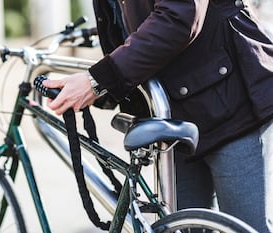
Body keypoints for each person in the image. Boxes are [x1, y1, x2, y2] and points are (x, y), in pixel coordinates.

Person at [43, 0, 273, 232]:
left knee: (247, 228)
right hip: (176, 111)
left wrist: (97, 81)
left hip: (233, 101)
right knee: (181, 227)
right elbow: (123, 26)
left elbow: (180, 15)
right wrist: (101, 88)